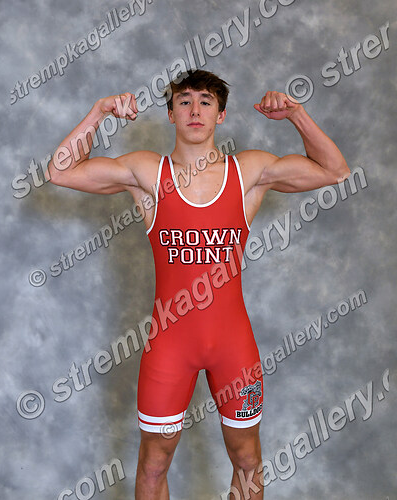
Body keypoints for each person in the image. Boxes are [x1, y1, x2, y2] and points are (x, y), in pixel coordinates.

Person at [47, 69, 350, 499]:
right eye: (184, 100)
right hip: (170, 345)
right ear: (171, 113)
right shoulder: (148, 172)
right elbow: (60, 172)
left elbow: (336, 171)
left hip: (233, 346)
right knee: (153, 462)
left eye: (206, 101)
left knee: (247, 459)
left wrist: (297, 115)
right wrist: (98, 112)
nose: (194, 109)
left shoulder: (247, 172)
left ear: (220, 115)